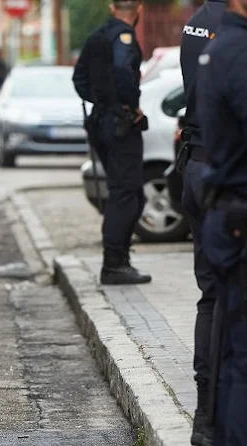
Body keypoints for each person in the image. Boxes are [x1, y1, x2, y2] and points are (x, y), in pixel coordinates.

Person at [72, 0, 151, 285]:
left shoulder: (96, 36)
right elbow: (121, 69)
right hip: (120, 124)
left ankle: (119, 260)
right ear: (139, 9)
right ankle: (114, 264)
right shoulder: (123, 36)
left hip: (101, 122)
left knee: (128, 193)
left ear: (111, 6)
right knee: (126, 194)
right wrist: (127, 105)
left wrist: (102, 101)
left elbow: (79, 79)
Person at [197, 0, 247, 444]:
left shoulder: (219, 44)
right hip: (238, 213)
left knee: (234, 347)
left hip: (225, 211)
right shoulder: (239, 51)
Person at [178, 2, 225, 445]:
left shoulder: (196, 21)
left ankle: (205, 419)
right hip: (221, 175)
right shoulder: (232, 31)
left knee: (211, 295)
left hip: (195, 164)